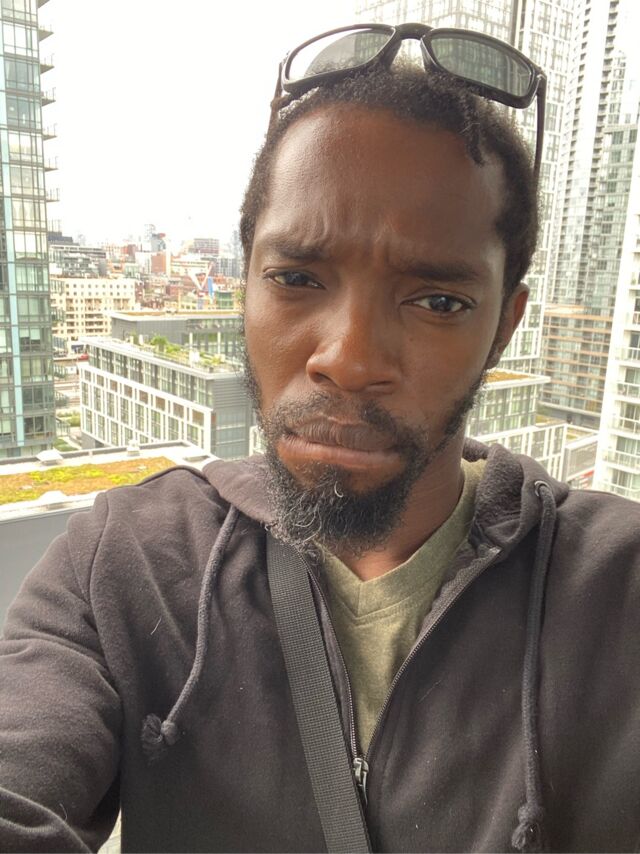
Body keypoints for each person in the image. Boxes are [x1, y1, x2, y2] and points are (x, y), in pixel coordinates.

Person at [1, 21, 639, 854]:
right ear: (244, 286)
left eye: (438, 301)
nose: (350, 358)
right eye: (297, 277)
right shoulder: (124, 562)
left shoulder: (618, 593)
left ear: (504, 327)